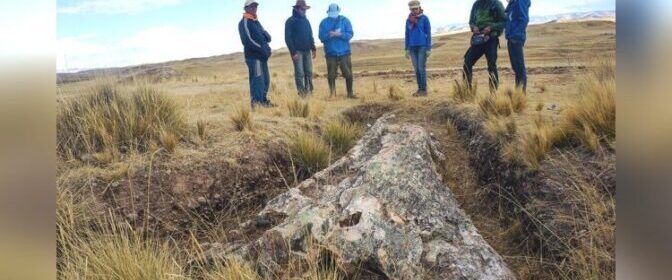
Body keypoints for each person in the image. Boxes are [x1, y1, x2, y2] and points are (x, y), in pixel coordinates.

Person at [462, 0, 507, 92]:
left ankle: (493, 94)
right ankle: (467, 92)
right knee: (467, 61)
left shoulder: (496, 3)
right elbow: (471, 21)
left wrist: (491, 27)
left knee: (491, 65)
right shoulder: (476, 5)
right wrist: (473, 27)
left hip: (491, 38)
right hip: (478, 39)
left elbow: (504, 22)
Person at [238, 0, 274, 108]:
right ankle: (257, 104)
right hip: (254, 57)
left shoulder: (256, 22)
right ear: (246, 8)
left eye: (255, 7)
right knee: (257, 80)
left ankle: (263, 100)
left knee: (265, 79)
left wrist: (267, 46)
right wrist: (262, 50)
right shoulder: (244, 22)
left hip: (262, 57)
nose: (254, 9)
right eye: (252, 7)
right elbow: (247, 40)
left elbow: (264, 37)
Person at [319, 3, 357, 99]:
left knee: (348, 74)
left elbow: (350, 34)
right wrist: (330, 35)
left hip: (344, 52)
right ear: (328, 12)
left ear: (338, 11)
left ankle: (350, 93)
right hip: (331, 53)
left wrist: (339, 34)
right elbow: (321, 37)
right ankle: (332, 95)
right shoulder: (323, 23)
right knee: (331, 75)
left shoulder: (345, 20)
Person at [285, 0, 317, 97]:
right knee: (299, 73)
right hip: (297, 51)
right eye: (303, 9)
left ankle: (309, 91)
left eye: (305, 9)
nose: (304, 11)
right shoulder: (290, 21)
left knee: (309, 72)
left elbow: (310, 35)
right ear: (297, 8)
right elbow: (288, 38)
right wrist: (293, 52)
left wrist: (313, 48)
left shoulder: (306, 21)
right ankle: (302, 93)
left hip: (307, 50)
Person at [405, 0, 432, 97]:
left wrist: (429, 48)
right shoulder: (408, 20)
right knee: (416, 69)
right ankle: (419, 89)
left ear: (419, 8)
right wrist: (406, 49)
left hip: (422, 46)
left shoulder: (425, 19)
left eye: (416, 8)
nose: (414, 11)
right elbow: (407, 34)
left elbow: (428, 34)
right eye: (412, 9)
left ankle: (424, 90)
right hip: (412, 48)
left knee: (421, 68)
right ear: (410, 9)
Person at [505, 0, 530, 93]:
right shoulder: (512, 4)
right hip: (511, 38)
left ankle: (521, 96)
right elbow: (510, 20)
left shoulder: (520, 1)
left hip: (516, 38)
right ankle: (518, 93)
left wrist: (515, 35)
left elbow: (524, 19)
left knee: (519, 67)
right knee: (516, 67)